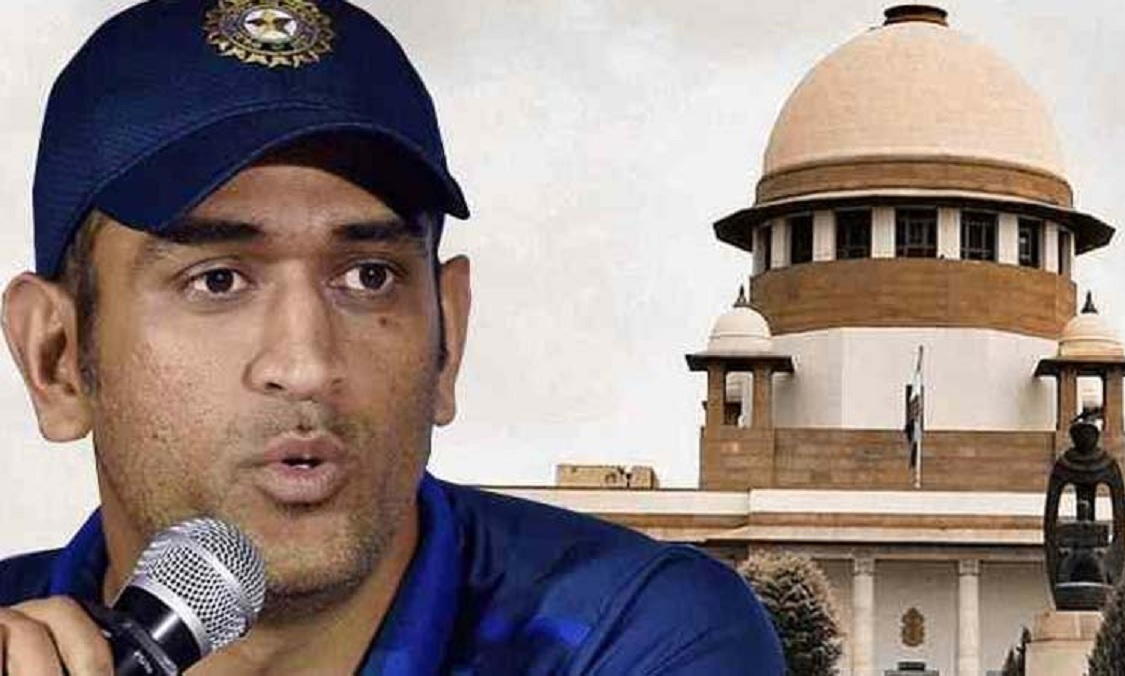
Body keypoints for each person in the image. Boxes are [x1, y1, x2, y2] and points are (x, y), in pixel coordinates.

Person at [0, 1, 784, 674]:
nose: (306, 365)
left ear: (449, 337)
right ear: (56, 360)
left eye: (369, 276)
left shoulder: (631, 635)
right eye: (217, 282)